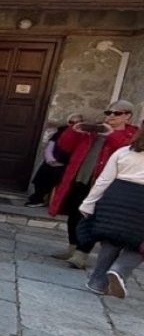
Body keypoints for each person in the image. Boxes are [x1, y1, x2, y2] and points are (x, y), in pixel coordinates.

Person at [50, 99, 138, 269]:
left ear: (127, 116)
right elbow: (65, 146)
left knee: (90, 219)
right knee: (74, 214)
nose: (111, 116)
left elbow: (127, 152)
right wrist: (74, 131)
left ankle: (82, 254)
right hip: (80, 178)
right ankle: (72, 248)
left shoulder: (132, 135)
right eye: (109, 112)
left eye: (117, 113)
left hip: (104, 185)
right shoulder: (93, 131)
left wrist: (111, 134)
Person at [79, 129, 144, 299]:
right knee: (139, 244)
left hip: (116, 197)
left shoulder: (123, 152)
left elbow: (104, 179)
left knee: (112, 239)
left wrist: (88, 203)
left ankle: (97, 282)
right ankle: (119, 270)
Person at [26, 113, 83, 207]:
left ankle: (46, 199)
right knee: (42, 173)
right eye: (71, 122)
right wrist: (50, 160)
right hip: (53, 160)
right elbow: (50, 147)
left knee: (57, 175)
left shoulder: (83, 135)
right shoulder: (60, 132)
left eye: (78, 122)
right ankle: (38, 197)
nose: (74, 125)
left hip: (67, 164)